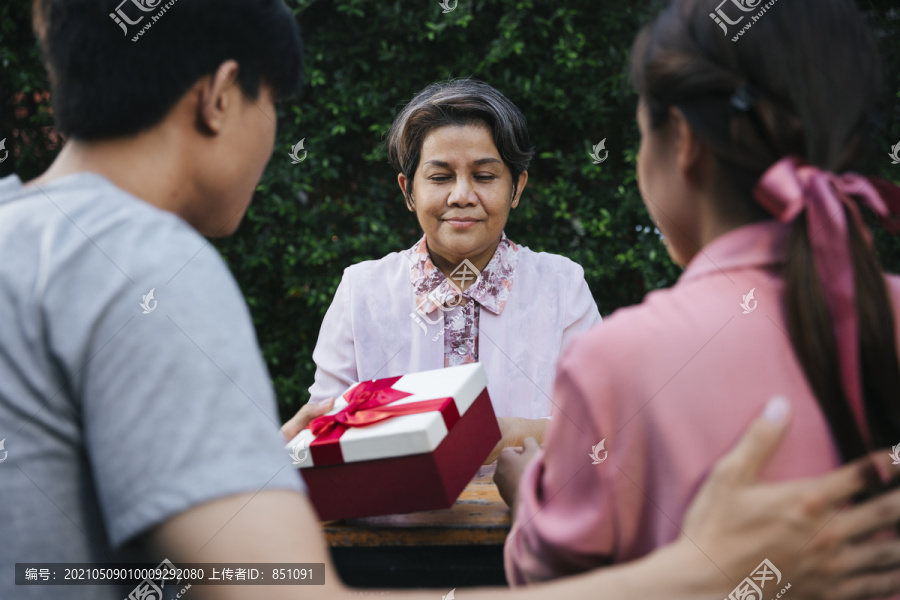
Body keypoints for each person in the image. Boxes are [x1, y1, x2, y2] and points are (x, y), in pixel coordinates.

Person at [3, 1, 900, 600]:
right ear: (220, 97)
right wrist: (704, 573)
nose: (462, 194)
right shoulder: (152, 263)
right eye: (277, 102)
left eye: (485, 174)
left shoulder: (27, 229)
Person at [498, 0, 900, 589]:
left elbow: (547, 575)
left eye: (640, 135)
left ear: (682, 141)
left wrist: (527, 494)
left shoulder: (617, 360)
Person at [289, 79, 601, 463]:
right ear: (409, 191)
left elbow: (602, 426)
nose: (461, 195)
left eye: (485, 176)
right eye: (440, 177)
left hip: (528, 517)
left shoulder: (561, 286)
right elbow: (325, 432)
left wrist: (502, 435)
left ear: (517, 188)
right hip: (390, 519)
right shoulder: (362, 291)